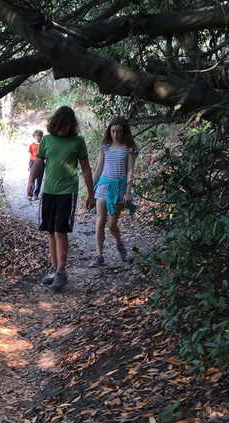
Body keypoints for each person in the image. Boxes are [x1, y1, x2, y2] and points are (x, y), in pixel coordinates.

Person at [27, 106, 94, 292]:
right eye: (63, 124)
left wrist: (91, 194)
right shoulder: (47, 140)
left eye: (69, 124)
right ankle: (54, 268)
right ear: (56, 122)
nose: (66, 127)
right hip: (48, 192)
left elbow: (86, 169)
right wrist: (31, 181)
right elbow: (38, 163)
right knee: (50, 230)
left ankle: (62, 272)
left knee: (60, 230)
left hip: (67, 192)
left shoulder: (77, 141)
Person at [88, 115, 138, 267]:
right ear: (109, 131)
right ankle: (99, 256)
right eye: (113, 131)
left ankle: (119, 242)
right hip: (103, 185)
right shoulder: (105, 147)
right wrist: (90, 191)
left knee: (111, 224)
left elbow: (130, 170)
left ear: (124, 132)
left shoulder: (129, 149)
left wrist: (128, 192)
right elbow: (98, 170)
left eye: (119, 132)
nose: (115, 135)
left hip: (120, 188)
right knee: (100, 221)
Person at [27, 129, 44, 201]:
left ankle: (36, 194)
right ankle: (30, 194)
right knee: (32, 178)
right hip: (33, 162)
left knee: (39, 179)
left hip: (41, 163)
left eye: (39, 136)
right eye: (35, 136)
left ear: (41, 136)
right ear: (33, 136)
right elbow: (30, 155)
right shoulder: (32, 145)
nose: (37, 137)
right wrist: (29, 164)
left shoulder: (43, 145)